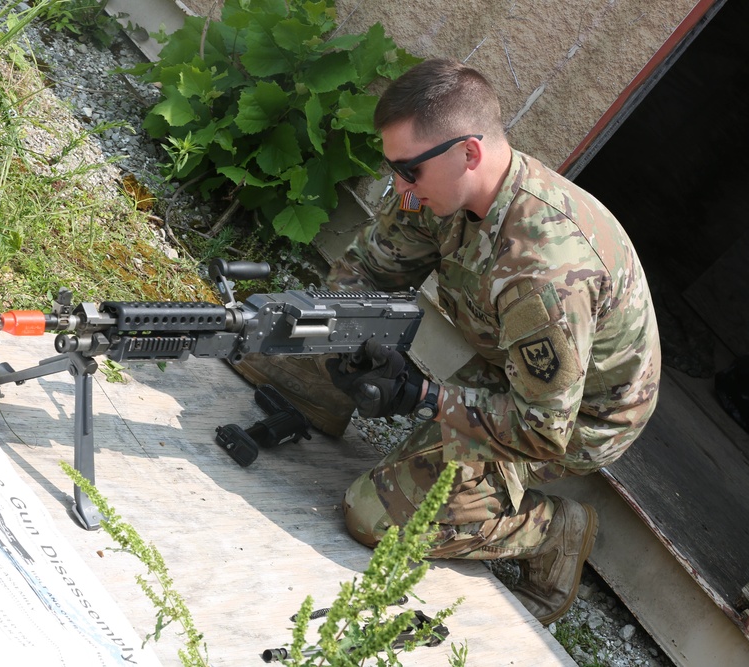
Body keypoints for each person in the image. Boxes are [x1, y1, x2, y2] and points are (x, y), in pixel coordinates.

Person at [237, 59, 661, 625]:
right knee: (276, 350)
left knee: (373, 516)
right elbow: (370, 272)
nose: (398, 187)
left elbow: (543, 430)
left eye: (408, 171)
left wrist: (423, 396)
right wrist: (337, 336)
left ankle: (553, 530)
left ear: (469, 153)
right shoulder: (436, 189)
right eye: (392, 168)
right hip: (506, 366)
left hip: (574, 418)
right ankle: (332, 402)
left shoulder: (542, 271)